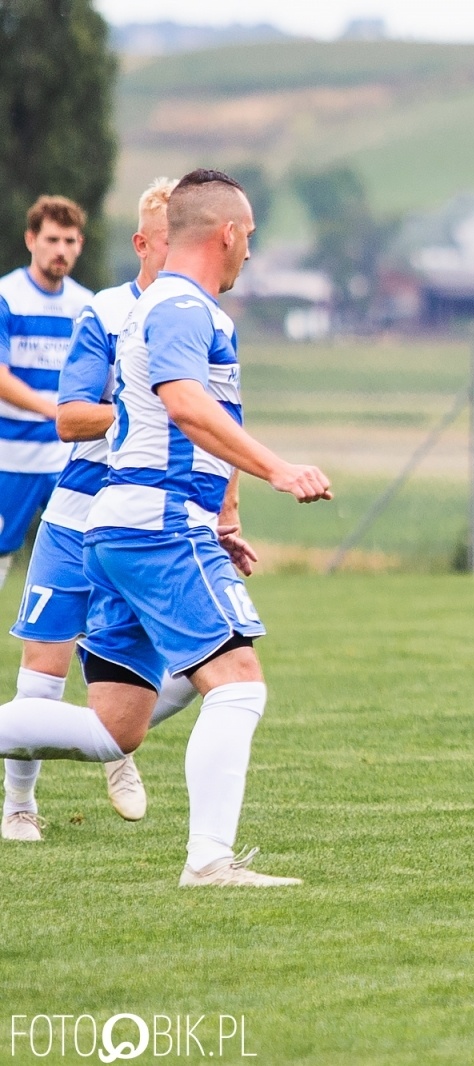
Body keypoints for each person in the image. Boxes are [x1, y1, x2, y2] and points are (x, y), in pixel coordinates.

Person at [0, 169, 332, 886]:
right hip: (153, 528)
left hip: (130, 526)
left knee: (113, 727)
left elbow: (165, 428)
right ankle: (208, 861)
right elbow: (181, 404)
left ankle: (205, 856)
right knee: (238, 684)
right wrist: (277, 468)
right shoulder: (186, 310)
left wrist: (217, 518)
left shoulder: (168, 305)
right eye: (250, 238)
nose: (249, 252)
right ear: (230, 234)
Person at [3, 180, 199, 842]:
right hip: (80, 516)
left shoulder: (202, 317)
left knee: (215, 662)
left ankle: (116, 743)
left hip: (151, 526)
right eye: (173, 239)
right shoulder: (106, 314)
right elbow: (69, 418)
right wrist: (138, 413)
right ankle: (19, 808)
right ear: (145, 243)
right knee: (41, 680)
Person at [0, 197, 92, 592]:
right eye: (52, 239)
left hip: (65, 457)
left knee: (85, 556)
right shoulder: (7, 297)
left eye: (70, 241)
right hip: (10, 456)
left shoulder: (87, 306)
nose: (61, 250)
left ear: (80, 245)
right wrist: (57, 410)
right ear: (31, 240)